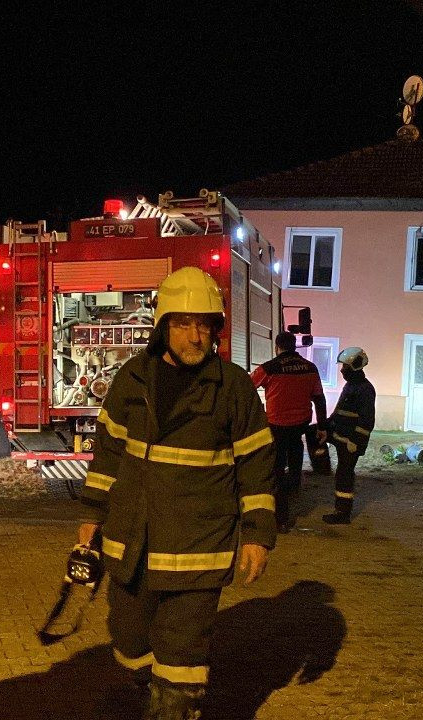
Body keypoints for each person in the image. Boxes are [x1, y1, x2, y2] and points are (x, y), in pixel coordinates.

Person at [76, 266, 275, 720]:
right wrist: (91, 514)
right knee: (129, 640)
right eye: (183, 324)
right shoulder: (132, 380)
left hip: (197, 552)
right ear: (163, 326)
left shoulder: (233, 388)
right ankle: (146, 692)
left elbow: (257, 467)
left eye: (204, 324)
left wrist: (258, 534)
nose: (195, 336)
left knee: (181, 655)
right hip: (132, 547)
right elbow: (107, 456)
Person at [249, 332, 326, 530]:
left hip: (276, 427)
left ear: (277, 347)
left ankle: (281, 518)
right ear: (294, 346)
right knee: (294, 466)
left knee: (276, 471)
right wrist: (322, 426)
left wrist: (256, 413)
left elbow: (246, 387)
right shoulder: (310, 368)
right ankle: (293, 497)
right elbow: (319, 398)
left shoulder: (269, 367)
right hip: (299, 427)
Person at [324, 347, 376, 525]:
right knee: (311, 432)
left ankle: (342, 513)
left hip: (350, 440)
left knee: (344, 474)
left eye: (345, 367)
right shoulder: (351, 386)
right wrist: (325, 425)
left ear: (354, 366)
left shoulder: (365, 389)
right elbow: (340, 410)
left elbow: (367, 420)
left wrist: (356, 441)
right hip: (341, 435)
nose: (342, 370)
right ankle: (321, 467)